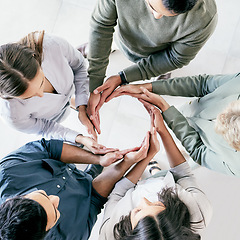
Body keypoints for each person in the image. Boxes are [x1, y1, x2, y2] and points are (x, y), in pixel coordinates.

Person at [85, 0, 218, 136]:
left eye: (169, 15)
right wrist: (94, 82)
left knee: (161, 67)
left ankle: (160, 73)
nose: (156, 16)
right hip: (120, 37)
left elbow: (175, 58)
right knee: (100, 44)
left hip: (155, 53)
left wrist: (123, 78)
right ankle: (99, 48)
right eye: (152, 7)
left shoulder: (204, 19)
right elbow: (101, 25)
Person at [0, 129, 157, 240]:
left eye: (43, 194)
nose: (55, 198)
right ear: (46, 231)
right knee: (91, 181)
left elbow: (49, 148)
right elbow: (95, 199)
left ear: (10, 200)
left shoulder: (7, 173)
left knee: (97, 162)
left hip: (67, 167)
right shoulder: (71, 235)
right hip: (87, 192)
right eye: (55, 211)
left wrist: (98, 159)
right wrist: (128, 163)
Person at [99, 100, 212, 239]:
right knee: (158, 177)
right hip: (167, 180)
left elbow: (117, 193)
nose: (144, 200)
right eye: (158, 203)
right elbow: (184, 175)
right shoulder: (198, 212)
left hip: (129, 188)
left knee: (134, 184)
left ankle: (146, 174)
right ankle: (155, 171)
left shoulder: (110, 233)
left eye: (137, 211)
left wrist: (146, 157)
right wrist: (163, 131)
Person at [107, 73, 240, 176]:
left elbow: (199, 151)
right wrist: (149, 87)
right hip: (187, 111)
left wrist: (165, 109)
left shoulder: (236, 165)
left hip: (203, 147)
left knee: (188, 159)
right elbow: (203, 84)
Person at [0, 30, 103, 153]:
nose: (41, 95)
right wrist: (79, 139)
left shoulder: (52, 45)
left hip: (67, 78)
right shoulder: (13, 115)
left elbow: (79, 66)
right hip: (54, 117)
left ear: (35, 58)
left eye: (42, 82)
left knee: (73, 61)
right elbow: (44, 129)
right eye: (28, 97)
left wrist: (82, 106)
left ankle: (77, 54)